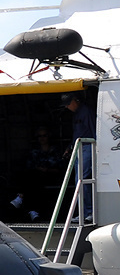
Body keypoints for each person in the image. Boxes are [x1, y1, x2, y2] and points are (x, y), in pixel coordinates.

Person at [62, 93, 95, 222]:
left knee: (82, 179)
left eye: (68, 104)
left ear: (75, 101)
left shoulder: (86, 112)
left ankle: (89, 211)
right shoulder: (77, 114)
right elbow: (77, 133)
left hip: (87, 147)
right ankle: (84, 212)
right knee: (79, 180)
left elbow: (93, 131)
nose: (67, 107)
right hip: (79, 147)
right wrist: (70, 147)